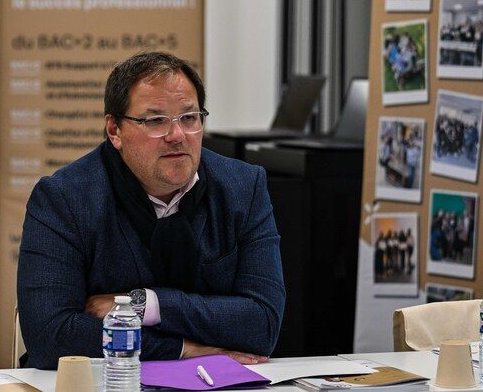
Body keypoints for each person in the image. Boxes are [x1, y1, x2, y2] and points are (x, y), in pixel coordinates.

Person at [17, 52, 285, 370]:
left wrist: (144, 306)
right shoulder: (65, 198)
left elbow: (262, 324)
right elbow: (52, 337)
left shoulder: (243, 187)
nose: (176, 135)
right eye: (155, 121)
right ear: (114, 130)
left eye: (189, 118)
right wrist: (180, 348)